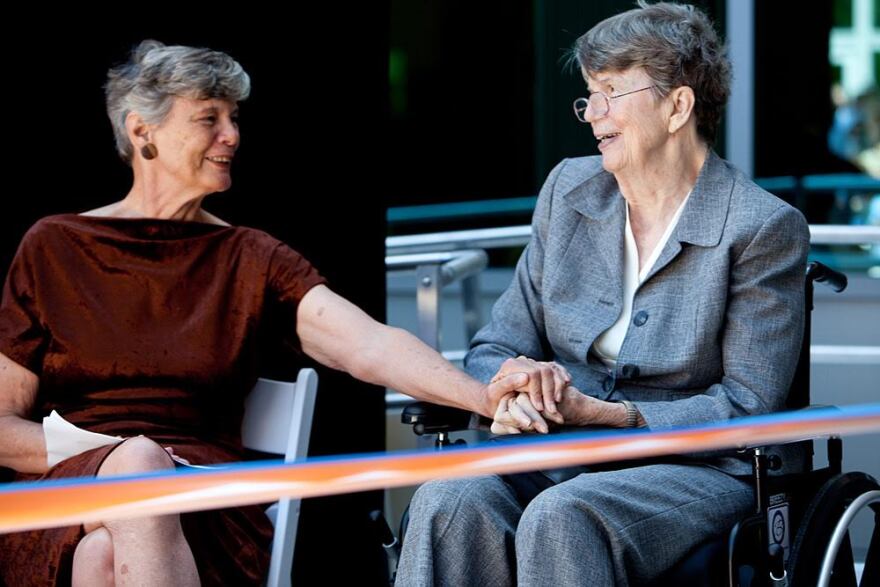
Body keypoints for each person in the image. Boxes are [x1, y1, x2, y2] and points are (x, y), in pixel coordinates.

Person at [0, 40, 525, 586]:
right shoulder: (53, 247)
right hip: (63, 498)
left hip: (208, 506)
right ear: (141, 132)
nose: (232, 135)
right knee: (135, 472)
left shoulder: (252, 256)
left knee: (102, 557)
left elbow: (368, 345)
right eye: (209, 118)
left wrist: (481, 395)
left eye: (234, 117)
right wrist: (123, 454)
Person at [396, 2, 810, 585]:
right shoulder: (569, 190)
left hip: (701, 468)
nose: (592, 114)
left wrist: (610, 415)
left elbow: (749, 405)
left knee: (563, 516)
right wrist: (516, 382)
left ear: (677, 107)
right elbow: (495, 344)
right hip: (564, 450)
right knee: (449, 499)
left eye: (611, 91)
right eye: (589, 94)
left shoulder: (760, 226)